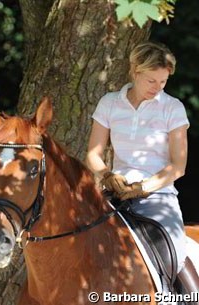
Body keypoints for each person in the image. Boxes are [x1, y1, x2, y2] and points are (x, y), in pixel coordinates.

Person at [86, 41, 199, 296]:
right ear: (135, 71)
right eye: (151, 81)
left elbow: (178, 166)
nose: (157, 88)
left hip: (158, 195)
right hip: (114, 194)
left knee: (174, 255)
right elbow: (93, 153)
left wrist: (142, 188)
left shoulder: (172, 108)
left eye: (163, 81)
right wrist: (106, 175)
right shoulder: (110, 103)